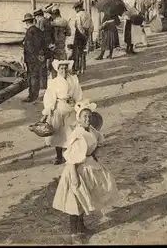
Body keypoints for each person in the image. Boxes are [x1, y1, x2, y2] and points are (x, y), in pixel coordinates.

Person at [52, 100, 118, 242]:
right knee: (74, 201)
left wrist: (95, 157)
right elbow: (70, 159)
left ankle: (81, 227)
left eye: (89, 116)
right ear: (79, 119)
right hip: (76, 170)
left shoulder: (91, 130)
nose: (87, 119)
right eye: (84, 117)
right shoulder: (78, 135)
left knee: (84, 200)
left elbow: (96, 143)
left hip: (87, 167)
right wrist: (74, 177)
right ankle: (74, 232)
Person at [40, 60, 83, 165]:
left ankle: (70, 155)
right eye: (61, 68)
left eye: (65, 68)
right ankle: (59, 156)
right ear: (58, 70)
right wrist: (48, 110)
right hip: (59, 108)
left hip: (71, 108)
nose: (63, 70)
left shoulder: (73, 80)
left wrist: (78, 104)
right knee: (58, 134)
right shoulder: (54, 82)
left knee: (71, 133)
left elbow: (78, 93)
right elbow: (50, 97)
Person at [22, 13, 47, 103]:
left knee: (32, 77)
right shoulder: (38, 30)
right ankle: (35, 95)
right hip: (38, 57)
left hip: (31, 58)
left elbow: (29, 47)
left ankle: (32, 96)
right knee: (36, 76)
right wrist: (41, 55)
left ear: (26, 22)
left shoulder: (29, 32)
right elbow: (43, 44)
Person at [34, 8, 55, 87]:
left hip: (42, 45)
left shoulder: (40, 21)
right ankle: (49, 81)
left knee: (41, 64)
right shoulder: (47, 20)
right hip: (49, 44)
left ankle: (43, 84)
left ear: (37, 16)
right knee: (48, 62)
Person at [72, 1, 94, 74]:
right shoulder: (87, 14)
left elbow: (78, 25)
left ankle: (77, 68)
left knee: (77, 51)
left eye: (75, 8)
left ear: (78, 8)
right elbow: (91, 26)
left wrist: (82, 33)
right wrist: (88, 34)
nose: (75, 10)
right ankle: (83, 68)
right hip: (86, 33)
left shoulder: (78, 15)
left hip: (79, 34)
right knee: (83, 51)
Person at [50, 7, 72, 76]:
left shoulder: (52, 23)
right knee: (63, 63)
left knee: (54, 63)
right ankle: (63, 76)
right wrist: (64, 33)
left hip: (54, 45)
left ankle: (55, 78)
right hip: (62, 44)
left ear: (54, 15)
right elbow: (69, 33)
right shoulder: (64, 21)